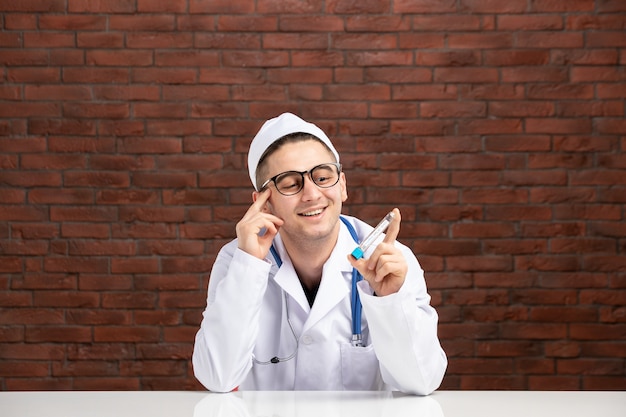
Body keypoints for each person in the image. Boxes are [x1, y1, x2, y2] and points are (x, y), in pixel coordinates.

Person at [192, 113, 447, 394]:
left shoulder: (390, 259)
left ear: (342, 185)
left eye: (323, 177)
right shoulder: (238, 260)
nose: (312, 194)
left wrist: (391, 301)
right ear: (263, 204)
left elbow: (422, 382)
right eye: (290, 183)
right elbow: (218, 378)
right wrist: (248, 267)